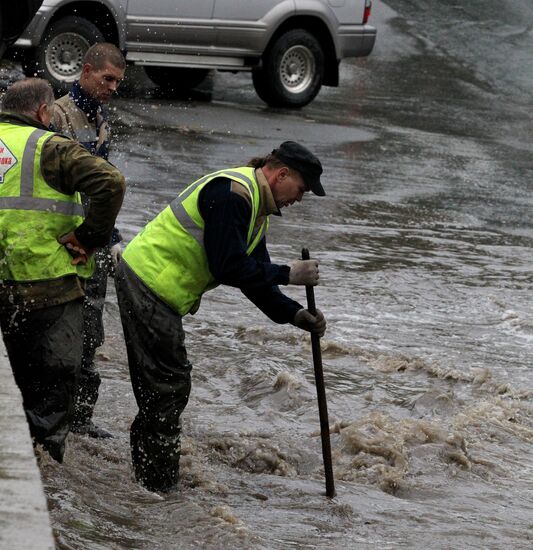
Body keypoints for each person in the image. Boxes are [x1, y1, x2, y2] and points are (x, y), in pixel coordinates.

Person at [115, 141, 327, 492]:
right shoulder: (233, 196)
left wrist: (295, 314)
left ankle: (150, 476)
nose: (300, 198)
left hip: (159, 289)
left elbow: (253, 278)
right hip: (148, 283)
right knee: (168, 387)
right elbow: (228, 266)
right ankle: (156, 486)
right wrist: (289, 273)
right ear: (281, 173)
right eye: (301, 189)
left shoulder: (255, 207)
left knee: (165, 387)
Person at [0, 78, 125, 462]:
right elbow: (110, 182)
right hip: (47, 287)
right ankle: (46, 478)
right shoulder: (50, 146)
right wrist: (90, 237)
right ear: (42, 112)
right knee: (51, 391)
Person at [51, 42, 126, 438]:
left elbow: (104, 187)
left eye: (118, 81)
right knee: (63, 330)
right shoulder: (60, 116)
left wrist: (112, 238)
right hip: (65, 241)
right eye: (107, 78)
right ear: (85, 72)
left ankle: (81, 419)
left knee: (91, 331)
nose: (113, 86)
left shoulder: (100, 119)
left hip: (92, 240)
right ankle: (58, 417)